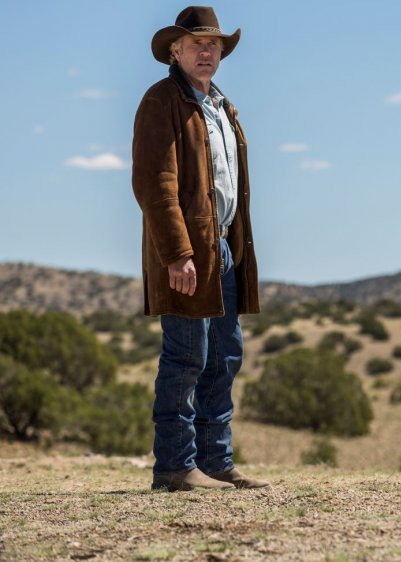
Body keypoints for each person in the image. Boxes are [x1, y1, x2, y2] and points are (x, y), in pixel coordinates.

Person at [132, 6, 267, 491]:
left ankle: (214, 462)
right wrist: (177, 253)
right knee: (186, 358)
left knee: (224, 358)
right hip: (190, 253)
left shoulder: (221, 106)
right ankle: (175, 467)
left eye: (213, 45)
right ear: (175, 50)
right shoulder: (161, 99)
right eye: (196, 44)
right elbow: (154, 183)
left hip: (224, 251)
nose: (207, 51)